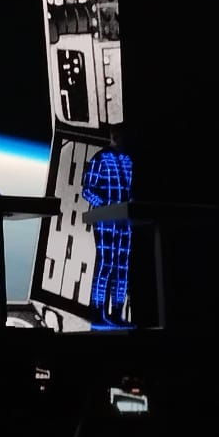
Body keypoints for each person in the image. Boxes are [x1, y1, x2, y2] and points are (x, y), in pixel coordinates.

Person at [81, 124, 134, 329]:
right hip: (105, 221)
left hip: (124, 223)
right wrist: (104, 207)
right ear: (112, 136)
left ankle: (117, 313)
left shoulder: (128, 161)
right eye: (117, 135)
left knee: (122, 267)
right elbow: (87, 190)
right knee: (106, 264)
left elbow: (129, 190)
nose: (120, 138)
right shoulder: (100, 159)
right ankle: (97, 310)